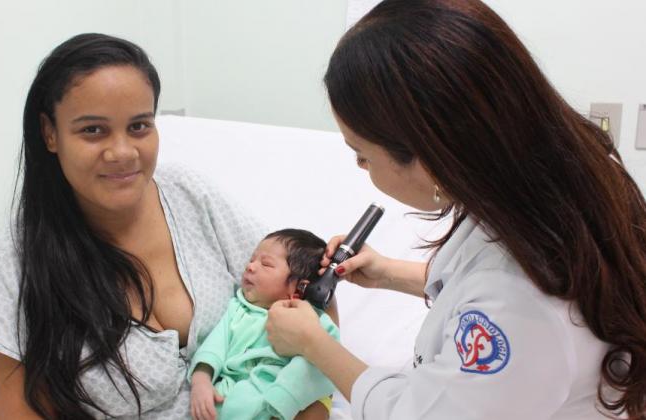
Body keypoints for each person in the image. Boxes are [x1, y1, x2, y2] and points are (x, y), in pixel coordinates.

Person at [265, 1, 646, 419]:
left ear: (431, 157)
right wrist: (389, 273)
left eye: (362, 155)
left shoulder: (517, 307)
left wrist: (315, 345)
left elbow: (422, 411)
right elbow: (495, 278)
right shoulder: (564, 171)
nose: (360, 167)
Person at [0, 34, 335, 419]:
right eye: (93, 130)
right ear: (50, 133)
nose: (123, 153)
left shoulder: (190, 195)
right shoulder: (15, 262)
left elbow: (312, 296)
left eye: (139, 126)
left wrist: (306, 407)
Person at [189, 229, 340, 420]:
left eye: (266, 264)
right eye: (251, 260)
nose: (250, 266)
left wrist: (283, 401)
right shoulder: (237, 309)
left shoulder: (312, 321)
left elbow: (322, 363)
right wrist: (201, 381)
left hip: (279, 404)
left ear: (299, 286)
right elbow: (214, 346)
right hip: (227, 397)